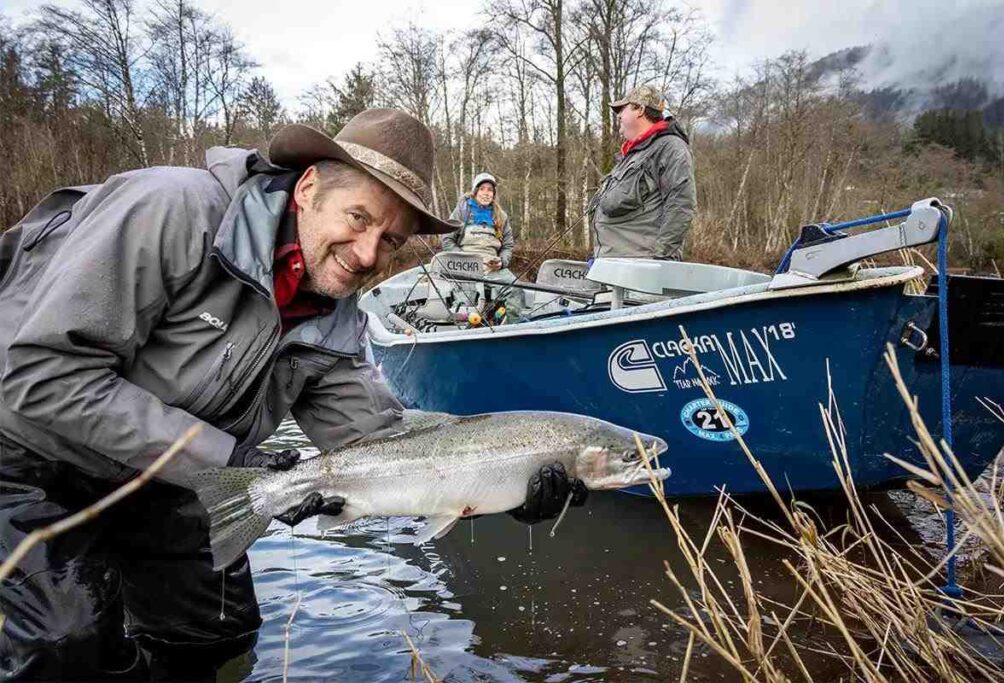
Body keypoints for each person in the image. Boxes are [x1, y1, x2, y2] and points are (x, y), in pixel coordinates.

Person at [0, 109, 586, 680]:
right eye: (358, 218)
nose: (367, 255)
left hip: (172, 471)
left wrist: (504, 476)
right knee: (64, 643)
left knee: (218, 630)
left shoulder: (336, 311)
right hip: (26, 453)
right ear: (308, 188)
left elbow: (380, 442)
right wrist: (228, 461)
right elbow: (42, 373)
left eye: (390, 241)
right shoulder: (169, 211)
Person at [589, 85, 696, 261]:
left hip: (639, 271)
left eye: (622, 109)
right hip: (612, 267)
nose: (618, 116)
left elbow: (681, 206)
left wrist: (661, 262)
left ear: (640, 109)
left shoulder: (671, 148)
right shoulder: (632, 155)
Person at [442, 173, 524, 320]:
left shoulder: (501, 216)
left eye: (490, 190)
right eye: (482, 189)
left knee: (516, 289)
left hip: (493, 269)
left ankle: (511, 331)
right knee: (464, 305)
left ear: (494, 194)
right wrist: (463, 260)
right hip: (465, 268)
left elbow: (508, 246)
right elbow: (447, 240)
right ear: (475, 191)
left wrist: (502, 261)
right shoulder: (462, 211)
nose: (486, 193)